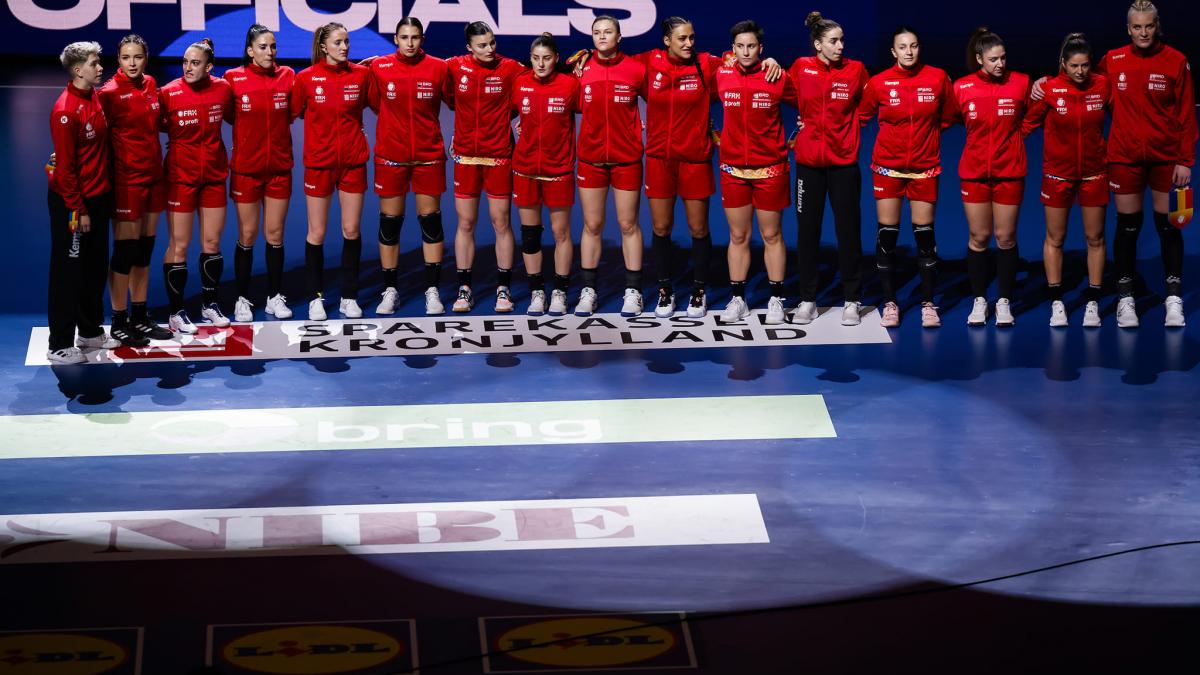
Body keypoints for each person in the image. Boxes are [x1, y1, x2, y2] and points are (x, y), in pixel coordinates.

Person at [1094, 1, 1193, 327]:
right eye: (1137, 27)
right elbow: (1084, 83)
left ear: (1157, 25)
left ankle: (1173, 298)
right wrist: (1044, 85)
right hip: (1125, 158)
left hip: (1167, 159)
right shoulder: (1113, 60)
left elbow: (1186, 114)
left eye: (1149, 26)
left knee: (1169, 226)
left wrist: (1185, 160)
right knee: (1128, 227)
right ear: (1128, 29)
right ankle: (1125, 299)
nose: (1143, 33)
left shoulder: (1176, 61)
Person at [858, 26, 952, 328]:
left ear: (919, 48)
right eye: (902, 46)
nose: (909, 52)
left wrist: (927, 138)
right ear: (893, 51)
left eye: (913, 46)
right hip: (887, 169)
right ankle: (890, 304)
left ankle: (928, 304)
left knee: (925, 237)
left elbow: (949, 115)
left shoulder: (937, 78)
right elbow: (859, 116)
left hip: (925, 169)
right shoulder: (879, 82)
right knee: (887, 236)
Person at [367, 17, 453, 316]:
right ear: (396, 39)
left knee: (430, 222)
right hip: (391, 156)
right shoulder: (379, 67)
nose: (410, 43)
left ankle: (432, 290)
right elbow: (376, 104)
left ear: (422, 39)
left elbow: (456, 100)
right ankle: (390, 290)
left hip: (429, 156)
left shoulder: (439, 68)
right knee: (390, 224)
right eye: (404, 37)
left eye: (415, 37)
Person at [1022, 33, 1110, 327]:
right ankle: (1057, 301)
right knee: (1055, 238)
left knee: (1095, 238)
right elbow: (1025, 126)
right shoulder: (1049, 88)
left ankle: (1093, 302)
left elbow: (1126, 115)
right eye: (1074, 66)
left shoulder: (1103, 85)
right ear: (1063, 63)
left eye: (1085, 65)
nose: (1080, 71)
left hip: (1094, 174)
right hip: (1057, 175)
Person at [714, 20, 799, 323]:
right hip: (733, 170)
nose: (746, 51)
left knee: (771, 235)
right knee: (738, 235)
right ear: (733, 49)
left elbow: (810, 104)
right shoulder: (722, 73)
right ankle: (738, 299)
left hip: (770, 171)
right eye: (740, 46)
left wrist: (798, 135)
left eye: (751, 46)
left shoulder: (776, 76)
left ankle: (776, 298)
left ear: (761, 48)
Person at [789, 12, 870, 326]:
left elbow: (869, 104)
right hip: (808, 165)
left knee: (848, 231)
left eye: (842, 40)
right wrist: (805, 123)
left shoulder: (856, 70)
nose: (840, 46)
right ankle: (808, 300)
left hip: (843, 165)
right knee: (807, 233)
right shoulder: (800, 67)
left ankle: (851, 299)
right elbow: (782, 91)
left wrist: (851, 129)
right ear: (818, 44)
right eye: (834, 41)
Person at [946, 28, 1031, 326]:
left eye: (1003, 58)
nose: (1000, 64)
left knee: (1005, 238)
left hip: (1010, 173)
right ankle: (980, 299)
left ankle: (1004, 300)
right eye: (993, 59)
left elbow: (1035, 113)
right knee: (979, 237)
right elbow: (945, 118)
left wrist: (1017, 139)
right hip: (974, 173)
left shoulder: (1021, 83)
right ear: (979, 58)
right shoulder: (962, 87)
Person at [291, 22, 371, 320]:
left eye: (347, 41)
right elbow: (290, 113)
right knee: (318, 232)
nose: (344, 47)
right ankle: (315, 298)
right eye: (338, 42)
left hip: (353, 162)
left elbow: (379, 105)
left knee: (351, 229)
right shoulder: (305, 78)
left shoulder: (361, 75)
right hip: (319, 164)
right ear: (323, 46)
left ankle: (349, 297)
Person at [97, 34, 172, 345]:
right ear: (118, 59)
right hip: (126, 182)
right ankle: (118, 320)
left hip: (154, 178)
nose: (132, 63)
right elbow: (94, 136)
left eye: (137, 57)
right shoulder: (109, 94)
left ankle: (139, 316)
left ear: (146, 58)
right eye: (126, 57)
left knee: (144, 250)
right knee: (125, 251)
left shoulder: (151, 84)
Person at [46, 41, 118, 363]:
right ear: (77, 70)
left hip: (98, 198)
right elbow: (65, 171)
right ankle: (59, 344)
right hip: (73, 204)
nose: (100, 67)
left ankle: (89, 331)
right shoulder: (65, 111)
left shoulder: (95, 97)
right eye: (93, 63)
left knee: (94, 268)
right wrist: (79, 209)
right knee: (68, 272)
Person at [446, 22, 524, 313]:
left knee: (500, 222)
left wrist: (524, 116)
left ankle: (503, 289)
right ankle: (464, 289)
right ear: (469, 47)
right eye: (482, 45)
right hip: (465, 157)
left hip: (499, 156)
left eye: (492, 42)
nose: (490, 49)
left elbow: (539, 80)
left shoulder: (510, 68)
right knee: (465, 223)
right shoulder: (454, 66)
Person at [158, 38, 235, 333]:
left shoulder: (223, 89)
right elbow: (148, 125)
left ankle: (209, 305)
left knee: (212, 243)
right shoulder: (169, 93)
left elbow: (237, 117)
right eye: (185, 62)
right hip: (181, 178)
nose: (188, 68)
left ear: (209, 66)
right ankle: (176, 312)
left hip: (214, 176)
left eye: (195, 63)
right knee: (179, 244)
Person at [574, 15, 648, 317]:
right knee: (592, 225)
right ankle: (588, 291)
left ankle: (633, 291)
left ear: (619, 37)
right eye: (597, 32)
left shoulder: (636, 69)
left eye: (608, 32)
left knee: (628, 224)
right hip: (590, 160)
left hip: (626, 159)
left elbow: (660, 100)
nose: (602, 36)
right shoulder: (581, 69)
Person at [225, 24, 296, 321]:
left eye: (273, 46)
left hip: (279, 169)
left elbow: (294, 111)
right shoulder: (233, 78)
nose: (270, 52)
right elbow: (228, 114)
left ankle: (274, 297)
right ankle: (242, 298)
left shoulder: (287, 75)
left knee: (275, 233)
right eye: (263, 47)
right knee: (248, 233)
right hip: (246, 171)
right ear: (250, 50)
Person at [512, 33, 581, 315]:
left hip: (558, 171)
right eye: (536, 58)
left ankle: (560, 292)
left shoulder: (570, 85)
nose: (541, 64)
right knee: (530, 236)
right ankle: (537, 292)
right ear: (530, 59)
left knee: (560, 233)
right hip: (525, 170)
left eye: (547, 58)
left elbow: (595, 110)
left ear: (556, 59)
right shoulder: (519, 83)